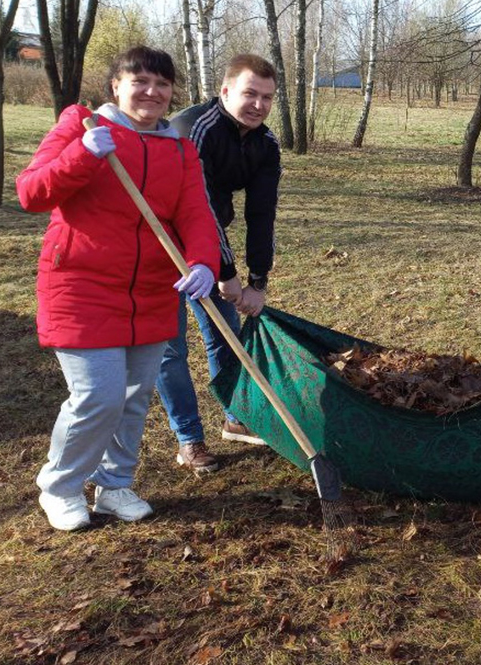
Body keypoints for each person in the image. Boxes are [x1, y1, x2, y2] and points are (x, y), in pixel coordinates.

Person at [16, 46, 221, 531]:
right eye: (140, 81)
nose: (152, 92)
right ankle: (61, 486)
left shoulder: (179, 147)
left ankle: (115, 485)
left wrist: (203, 263)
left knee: (134, 397)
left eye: (162, 84)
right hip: (81, 286)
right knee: (98, 397)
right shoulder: (81, 125)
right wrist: (82, 156)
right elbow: (31, 192)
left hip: (151, 290)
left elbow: (194, 213)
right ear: (116, 86)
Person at [155, 54, 282, 473]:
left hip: (207, 245)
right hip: (159, 247)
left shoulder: (265, 144)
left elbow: (262, 214)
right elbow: (202, 207)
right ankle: (189, 439)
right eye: (249, 93)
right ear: (225, 91)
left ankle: (236, 415)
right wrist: (227, 275)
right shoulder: (197, 131)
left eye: (267, 97)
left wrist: (257, 281)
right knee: (170, 348)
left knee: (225, 334)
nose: (258, 105)